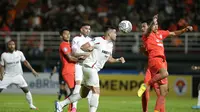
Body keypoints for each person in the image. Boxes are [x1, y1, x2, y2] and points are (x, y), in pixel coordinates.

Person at [55, 26, 125, 112]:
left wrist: (118, 59)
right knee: (96, 91)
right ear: (109, 34)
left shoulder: (110, 45)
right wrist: (89, 50)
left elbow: (109, 58)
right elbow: (83, 47)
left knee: (83, 94)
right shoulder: (98, 40)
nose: (116, 34)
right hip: (90, 67)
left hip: (90, 69)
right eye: (114, 32)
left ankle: (60, 104)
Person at [137, 15, 193, 112]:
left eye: (157, 24)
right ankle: (146, 86)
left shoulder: (160, 33)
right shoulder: (147, 35)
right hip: (155, 61)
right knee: (164, 74)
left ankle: (157, 110)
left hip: (162, 62)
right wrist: (153, 21)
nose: (156, 26)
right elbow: (149, 31)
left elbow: (173, 33)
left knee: (163, 93)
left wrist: (184, 30)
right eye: (154, 25)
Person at [0, 40, 39, 110]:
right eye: (10, 45)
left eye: (13, 44)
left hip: (18, 76)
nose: (12, 46)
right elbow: (2, 66)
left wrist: (32, 70)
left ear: (15, 46)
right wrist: (1, 74)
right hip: (7, 76)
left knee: (26, 90)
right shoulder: (4, 55)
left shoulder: (19, 53)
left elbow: (25, 62)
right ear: (7, 46)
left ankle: (31, 105)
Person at [58, 26, 88, 112]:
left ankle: (65, 107)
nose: (67, 35)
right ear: (61, 36)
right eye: (65, 34)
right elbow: (70, 58)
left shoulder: (69, 44)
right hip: (68, 71)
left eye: (68, 33)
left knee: (75, 91)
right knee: (74, 92)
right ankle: (66, 107)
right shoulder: (63, 45)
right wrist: (81, 59)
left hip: (73, 69)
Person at [71, 23, 93, 112]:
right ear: (81, 29)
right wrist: (84, 54)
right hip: (79, 65)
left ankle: (91, 109)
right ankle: (74, 108)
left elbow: (92, 52)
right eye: (86, 28)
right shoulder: (76, 39)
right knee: (78, 84)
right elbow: (74, 51)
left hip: (88, 65)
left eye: (89, 29)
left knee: (90, 87)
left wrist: (87, 55)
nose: (88, 30)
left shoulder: (91, 40)